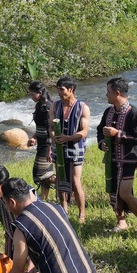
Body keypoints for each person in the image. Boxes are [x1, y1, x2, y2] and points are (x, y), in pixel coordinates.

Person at [96, 76, 137, 234]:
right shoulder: (108, 112)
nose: (106, 95)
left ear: (117, 93)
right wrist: (102, 143)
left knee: (125, 192)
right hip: (112, 158)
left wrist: (117, 133)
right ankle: (121, 221)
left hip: (129, 159)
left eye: (108, 92)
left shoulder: (135, 113)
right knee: (113, 190)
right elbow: (100, 130)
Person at [51, 75, 91, 224]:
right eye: (58, 90)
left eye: (62, 90)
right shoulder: (55, 106)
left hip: (75, 148)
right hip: (59, 148)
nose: (59, 93)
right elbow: (51, 127)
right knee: (60, 178)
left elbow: (84, 132)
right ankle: (64, 210)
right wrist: (54, 136)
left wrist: (67, 138)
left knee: (75, 181)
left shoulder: (82, 107)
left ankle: (82, 214)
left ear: (71, 89)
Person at [25, 81, 56, 201]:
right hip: (42, 144)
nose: (31, 97)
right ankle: (44, 199)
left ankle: (67, 185)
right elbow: (41, 127)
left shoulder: (48, 107)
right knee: (44, 175)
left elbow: (51, 129)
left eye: (33, 94)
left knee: (40, 174)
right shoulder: (39, 105)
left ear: (40, 92)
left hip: (47, 145)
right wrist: (34, 137)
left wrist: (49, 148)